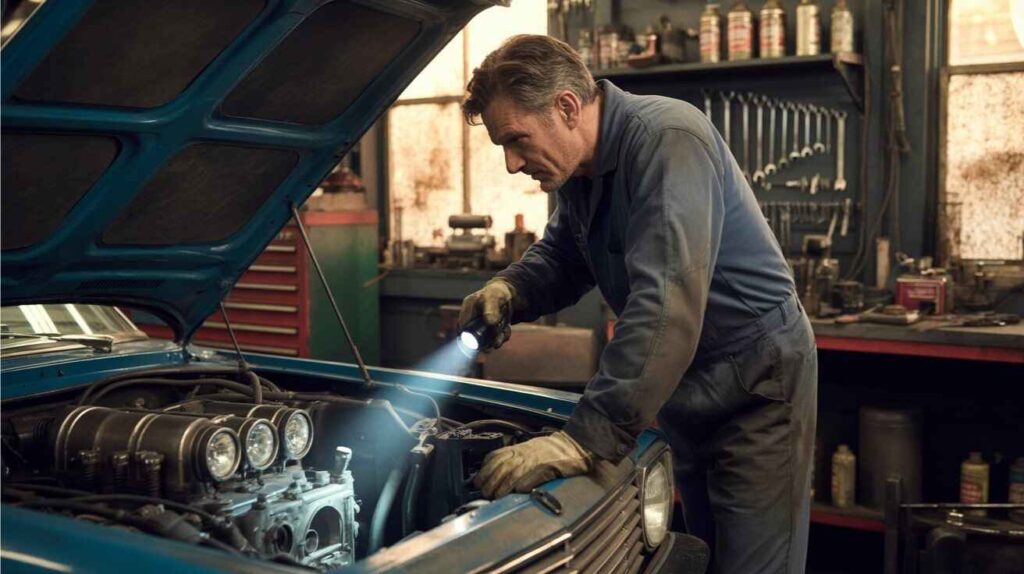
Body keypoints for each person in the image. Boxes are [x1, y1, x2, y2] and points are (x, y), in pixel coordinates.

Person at [458, 35, 817, 573]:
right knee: (710, 553)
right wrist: (510, 289)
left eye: (516, 140)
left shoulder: (667, 139)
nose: (512, 164)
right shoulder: (582, 170)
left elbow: (666, 305)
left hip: (755, 385)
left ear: (567, 107)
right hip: (686, 383)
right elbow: (564, 253)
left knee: (755, 566)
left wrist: (582, 440)